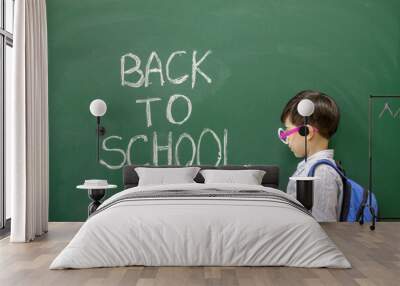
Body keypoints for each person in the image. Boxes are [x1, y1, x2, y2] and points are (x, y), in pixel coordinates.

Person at [279, 90, 343, 222]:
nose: (286, 139)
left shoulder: (322, 174)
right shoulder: (312, 168)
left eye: (287, 131)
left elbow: (324, 228)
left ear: (307, 132)